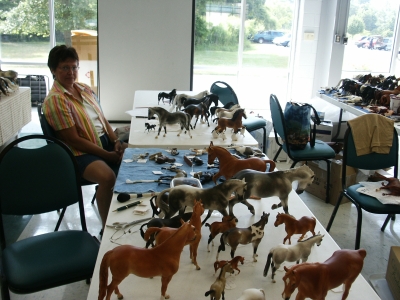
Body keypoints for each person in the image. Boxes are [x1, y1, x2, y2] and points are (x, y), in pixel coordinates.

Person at [42, 45, 127, 232]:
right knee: (107, 177)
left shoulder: (84, 89)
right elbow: (73, 140)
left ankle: (118, 205)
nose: (71, 72)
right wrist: (107, 155)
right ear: (53, 70)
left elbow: (102, 119)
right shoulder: (56, 100)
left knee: (138, 155)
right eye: (65, 68)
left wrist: (116, 142)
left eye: (74, 67)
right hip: (79, 153)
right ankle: (107, 231)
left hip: (102, 142)